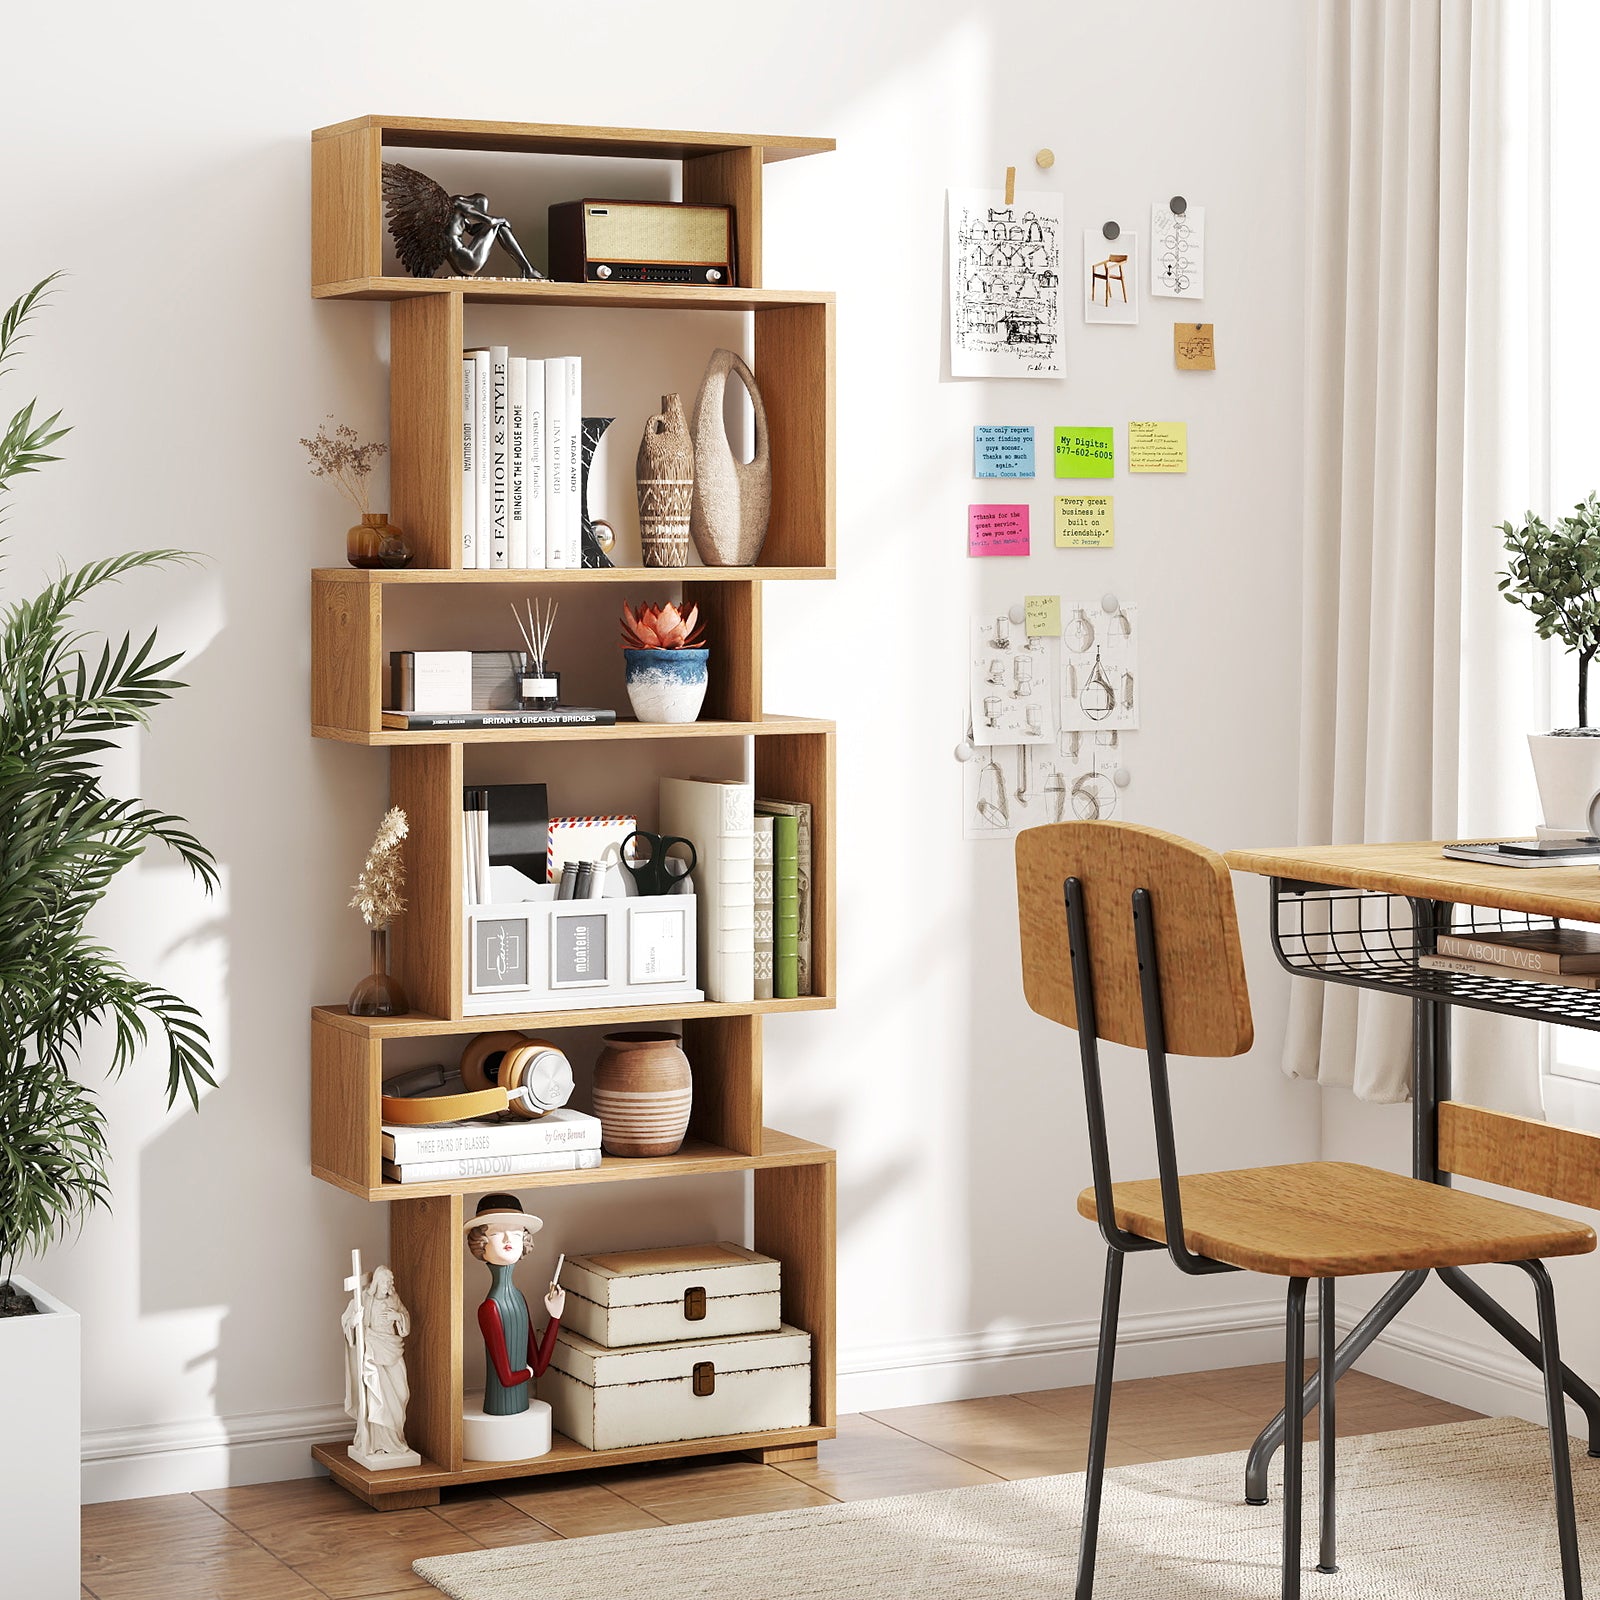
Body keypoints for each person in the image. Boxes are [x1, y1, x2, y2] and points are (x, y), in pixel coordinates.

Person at [464, 1194, 565, 1417]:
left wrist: (555, 1317)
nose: (509, 1238)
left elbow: (538, 1367)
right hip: (498, 1408)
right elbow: (507, 1378)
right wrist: (528, 1373)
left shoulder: (519, 1299)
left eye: (517, 1233)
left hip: (521, 1408)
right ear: (480, 1243)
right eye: (497, 1233)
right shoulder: (489, 1308)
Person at [341, 1264, 414, 1459]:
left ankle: (395, 1439)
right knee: (377, 1395)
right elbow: (348, 1321)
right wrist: (355, 1322)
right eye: (385, 1282)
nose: (389, 1286)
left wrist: (396, 1316)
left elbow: (405, 1321)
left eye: (390, 1283)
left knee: (401, 1393)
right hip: (374, 1351)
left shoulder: (393, 1298)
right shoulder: (365, 1299)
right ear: (377, 1283)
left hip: (393, 1350)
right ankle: (378, 1442)